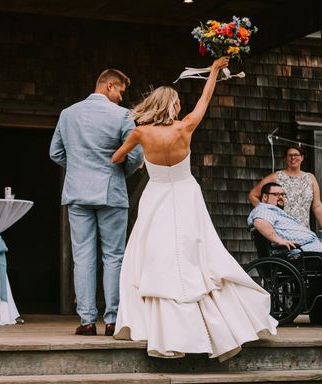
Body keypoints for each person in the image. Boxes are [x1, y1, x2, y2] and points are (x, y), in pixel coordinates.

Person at [111, 56, 277, 361]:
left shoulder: (140, 133)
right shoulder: (186, 126)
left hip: (156, 195)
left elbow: (117, 158)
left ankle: (157, 323)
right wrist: (213, 70)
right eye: (175, 102)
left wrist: (137, 163)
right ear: (171, 105)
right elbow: (205, 98)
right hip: (186, 195)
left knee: (154, 256)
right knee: (196, 255)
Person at [50, 68, 143, 337]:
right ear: (109, 86)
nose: (121, 99)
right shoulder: (122, 116)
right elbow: (136, 156)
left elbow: (55, 152)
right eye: (120, 93)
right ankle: (112, 319)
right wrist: (118, 173)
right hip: (110, 191)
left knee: (83, 257)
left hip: (77, 192)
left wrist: (78, 167)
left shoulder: (68, 114)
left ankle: (87, 320)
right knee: (113, 256)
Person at [248, 147, 322, 229]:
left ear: (302, 158)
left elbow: (317, 206)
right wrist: (267, 213)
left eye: (296, 155)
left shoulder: (310, 178)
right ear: (285, 159)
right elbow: (253, 195)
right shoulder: (276, 177)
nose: (293, 158)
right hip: (282, 229)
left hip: (303, 231)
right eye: (290, 155)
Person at [248, 182, 322, 253]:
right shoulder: (264, 209)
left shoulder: (274, 212)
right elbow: (259, 222)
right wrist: (279, 241)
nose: (281, 197)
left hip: (311, 246)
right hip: (303, 251)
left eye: (282, 194)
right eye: (276, 194)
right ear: (265, 197)